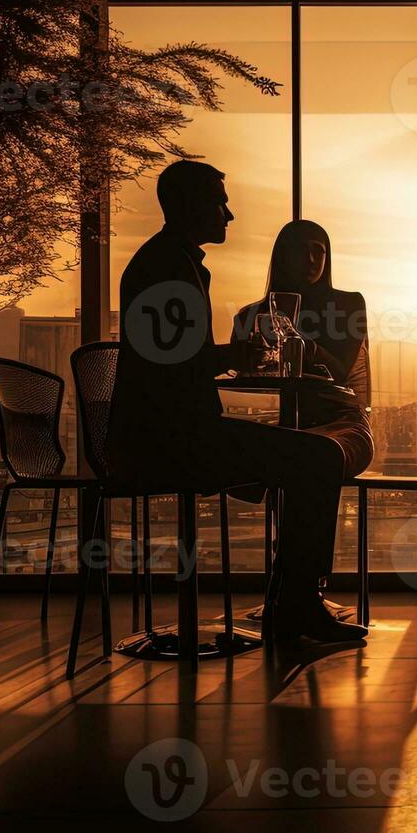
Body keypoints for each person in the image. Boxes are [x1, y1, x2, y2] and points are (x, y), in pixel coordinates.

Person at [108, 160, 364, 644]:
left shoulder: (168, 262)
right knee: (320, 456)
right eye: (219, 202)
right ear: (190, 206)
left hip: (161, 435)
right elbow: (177, 363)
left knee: (308, 456)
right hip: (173, 442)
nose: (230, 215)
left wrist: (230, 356)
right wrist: (232, 355)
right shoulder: (168, 269)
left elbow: (171, 358)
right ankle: (296, 606)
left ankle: (292, 601)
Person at [232, 220, 376, 480]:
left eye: (318, 251)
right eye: (300, 250)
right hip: (270, 424)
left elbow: (340, 373)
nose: (310, 259)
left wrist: (300, 345)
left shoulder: (348, 305)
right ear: (284, 256)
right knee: (291, 453)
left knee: (310, 454)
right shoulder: (249, 316)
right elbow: (242, 381)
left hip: (340, 424)